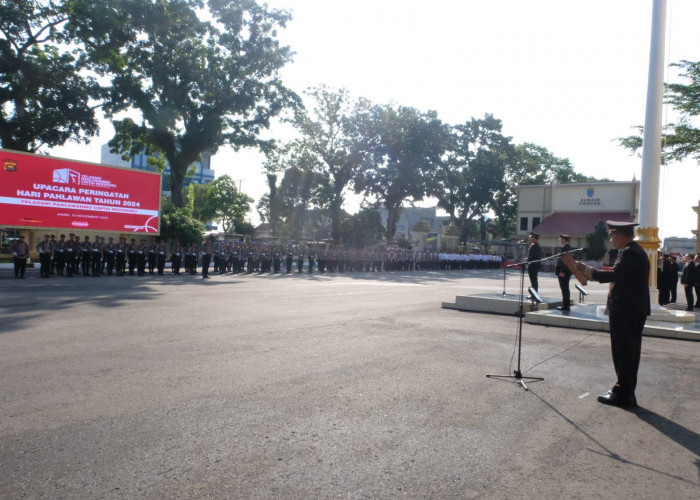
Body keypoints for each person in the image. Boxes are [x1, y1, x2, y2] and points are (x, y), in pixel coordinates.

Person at [575, 221, 650, 408]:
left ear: (619, 235)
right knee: (627, 351)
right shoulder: (632, 251)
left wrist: (587, 271)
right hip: (629, 309)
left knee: (624, 351)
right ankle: (625, 391)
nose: (610, 239)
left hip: (627, 310)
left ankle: (623, 393)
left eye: (612, 235)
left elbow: (614, 275)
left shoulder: (630, 252)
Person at [554, 234, 572, 311]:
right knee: (564, 288)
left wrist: (562, 271)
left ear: (565, 240)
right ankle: (566, 305)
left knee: (564, 288)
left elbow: (565, 261)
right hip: (564, 272)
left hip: (564, 272)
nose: (560, 240)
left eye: (561, 239)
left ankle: (566, 306)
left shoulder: (566, 248)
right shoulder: (565, 248)